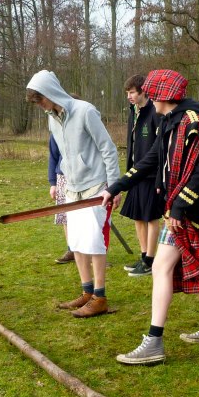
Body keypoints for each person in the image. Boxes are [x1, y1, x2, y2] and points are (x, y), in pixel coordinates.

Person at [99, 68, 199, 365]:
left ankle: (154, 341)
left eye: (152, 94)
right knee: (196, 265)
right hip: (177, 209)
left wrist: (179, 207)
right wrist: (116, 187)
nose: (149, 99)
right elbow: (150, 160)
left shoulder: (193, 123)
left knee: (161, 268)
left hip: (191, 211)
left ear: (164, 96)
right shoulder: (170, 121)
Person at [26, 70, 121, 318]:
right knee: (77, 241)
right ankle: (87, 292)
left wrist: (114, 186)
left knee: (94, 241)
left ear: (50, 92)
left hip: (96, 186)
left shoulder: (85, 111)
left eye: (41, 99)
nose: (41, 106)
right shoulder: (51, 118)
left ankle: (100, 297)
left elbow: (108, 149)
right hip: (72, 187)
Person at [119, 73, 164, 277]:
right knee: (138, 217)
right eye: (127, 93)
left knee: (151, 217)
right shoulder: (133, 112)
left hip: (151, 176)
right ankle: (143, 255)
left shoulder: (155, 112)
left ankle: (150, 260)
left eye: (132, 92)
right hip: (135, 175)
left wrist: (159, 178)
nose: (129, 96)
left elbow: (160, 149)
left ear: (142, 91)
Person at [48, 135, 74, 264]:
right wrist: (53, 183)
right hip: (62, 177)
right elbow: (53, 156)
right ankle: (72, 250)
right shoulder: (55, 131)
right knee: (65, 216)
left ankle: (90, 252)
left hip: (83, 177)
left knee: (86, 216)